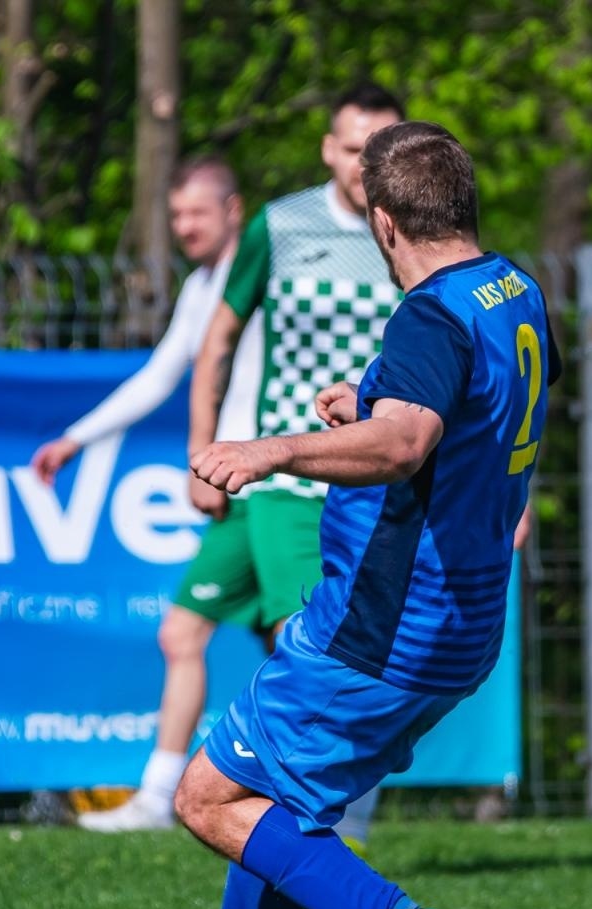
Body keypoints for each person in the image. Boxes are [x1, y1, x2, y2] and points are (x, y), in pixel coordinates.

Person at [165, 120, 558, 909]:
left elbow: (408, 444)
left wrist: (275, 448)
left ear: (384, 223)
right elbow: (461, 416)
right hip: (461, 619)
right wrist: (371, 399)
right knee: (277, 794)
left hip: (383, 621)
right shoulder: (514, 288)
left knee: (209, 798)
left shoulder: (430, 310)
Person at [184, 83, 407, 849]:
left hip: (382, 479)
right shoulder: (280, 226)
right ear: (327, 148)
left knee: (373, 651)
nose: (363, 163)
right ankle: (308, 820)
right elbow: (215, 340)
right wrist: (199, 449)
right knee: (302, 641)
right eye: (351, 148)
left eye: (379, 148)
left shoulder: (413, 232)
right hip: (288, 480)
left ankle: (337, 812)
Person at [30, 157, 270, 833]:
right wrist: (77, 437)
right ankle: (173, 796)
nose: (184, 226)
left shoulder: (275, 276)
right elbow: (163, 373)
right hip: (241, 488)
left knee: (268, 644)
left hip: (276, 488)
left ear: (233, 209)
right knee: (218, 637)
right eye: (175, 216)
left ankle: (183, 795)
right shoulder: (203, 287)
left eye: (197, 212)